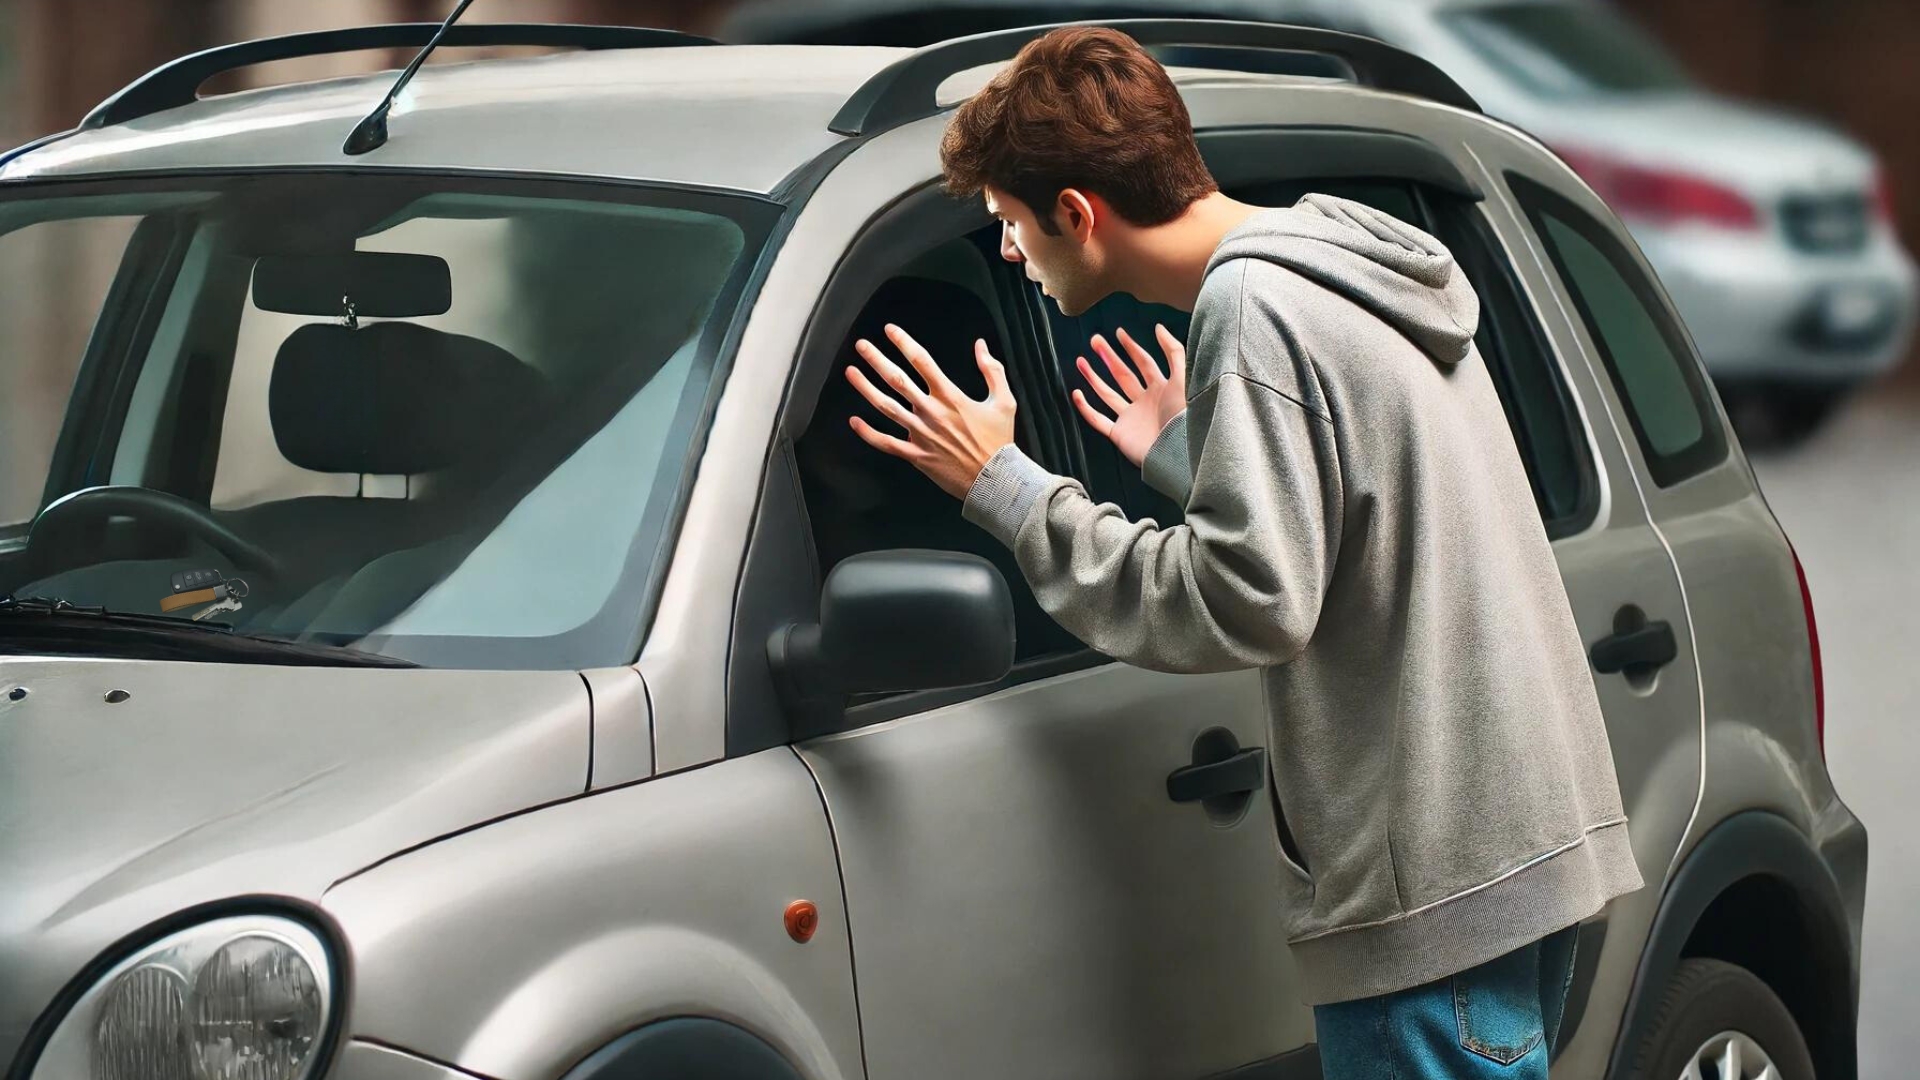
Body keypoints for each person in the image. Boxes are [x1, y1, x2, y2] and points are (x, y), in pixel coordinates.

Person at [842, 25, 1643, 1080]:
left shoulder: (1253, 308)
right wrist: (1195, 453)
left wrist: (1008, 488)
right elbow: (1373, 513)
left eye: (1007, 224)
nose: (1006, 253)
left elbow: (1251, 602)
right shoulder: (1341, 266)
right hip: (1515, 856)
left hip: (1433, 900)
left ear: (1077, 215)